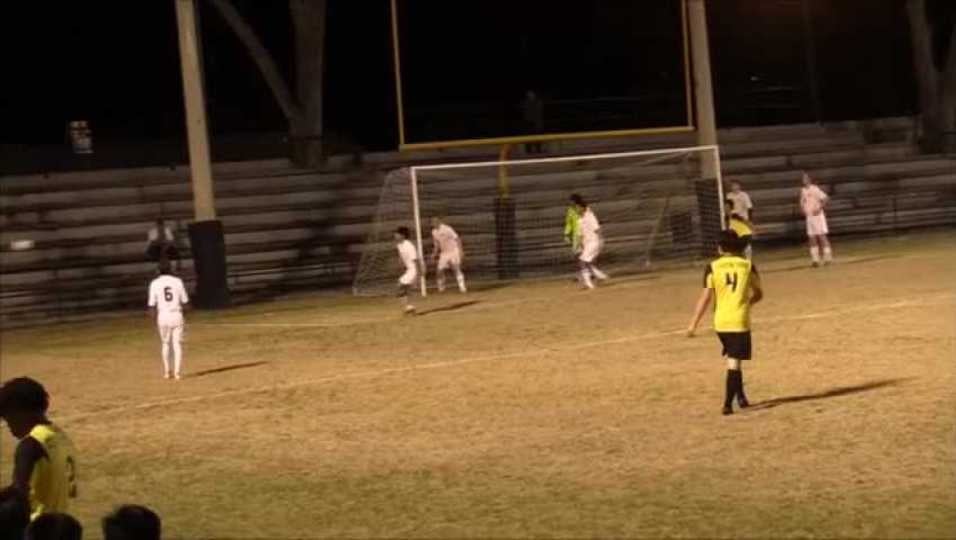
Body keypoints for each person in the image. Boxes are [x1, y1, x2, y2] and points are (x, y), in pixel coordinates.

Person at [686, 230, 764, 416]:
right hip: (739, 320)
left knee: (734, 357)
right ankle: (727, 404)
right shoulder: (747, 266)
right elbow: (759, 294)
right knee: (734, 363)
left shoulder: (712, 267)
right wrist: (748, 303)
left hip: (720, 322)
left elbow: (705, 298)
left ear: (720, 248)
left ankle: (741, 397)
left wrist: (693, 324)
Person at [0, 378, 78, 520]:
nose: (8, 425)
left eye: (7, 417)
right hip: (60, 527)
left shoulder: (30, 445)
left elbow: (18, 495)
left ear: (20, 411)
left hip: (36, 529)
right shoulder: (60, 436)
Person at [148, 259, 189, 380]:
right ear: (171, 269)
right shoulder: (177, 281)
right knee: (177, 344)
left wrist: (154, 318)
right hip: (176, 314)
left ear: (158, 270)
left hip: (163, 315)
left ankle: (167, 371)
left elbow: (151, 305)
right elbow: (185, 302)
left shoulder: (154, 283)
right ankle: (177, 373)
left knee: (165, 343)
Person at [570, 194, 608, 289]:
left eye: (578, 208)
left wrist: (601, 240)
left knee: (582, 261)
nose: (576, 210)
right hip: (587, 243)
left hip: (594, 242)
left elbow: (597, 229)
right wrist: (578, 246)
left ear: (582, 207)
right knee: (587, 262)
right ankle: (601, 276)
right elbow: (579, 235)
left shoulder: (590, 216)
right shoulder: (579, 220)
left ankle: (588, 283)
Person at [800, 171, 834, 266]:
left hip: (817, 216)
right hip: (809, 217)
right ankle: (815, 260)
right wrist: (803, 209)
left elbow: (826, 198)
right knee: (812, 237)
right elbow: (803, 202)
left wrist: (819, 208)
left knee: (822, 236)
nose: (803, 180)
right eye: (803, 178)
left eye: (805, 178)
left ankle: (828, 258)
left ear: (809, 179)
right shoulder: (803, 190)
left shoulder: (815, 189)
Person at [430, 217, 467, 293]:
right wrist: (434, 254)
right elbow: (436, 244)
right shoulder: (434, 232)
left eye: (434, 221)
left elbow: (457, 238)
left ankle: (462, 287)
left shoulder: (447, 229)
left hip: (453, 250)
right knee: (439, 270)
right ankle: (441, 288)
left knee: (456, 268)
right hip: (444, 253)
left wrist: (461, 251)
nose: (433, 223)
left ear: (439, 221)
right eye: (432, 222)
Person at [394, 227, 419, 314]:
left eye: (397, 234)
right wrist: (399, 264)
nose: (395, 235)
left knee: (400, 286)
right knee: (404, 289)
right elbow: (401, 257)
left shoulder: (409, 245)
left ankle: (409, 307)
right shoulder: (399, 245)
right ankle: (409, 308)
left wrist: (419, 273)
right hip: (409, 270)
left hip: (414, 269)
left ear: (403, 235)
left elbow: (416, 260)